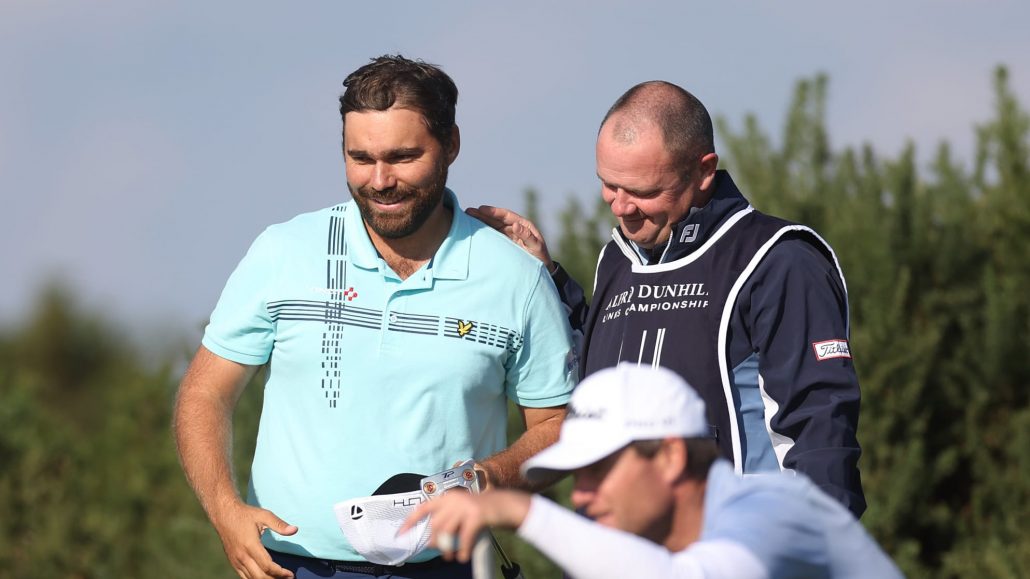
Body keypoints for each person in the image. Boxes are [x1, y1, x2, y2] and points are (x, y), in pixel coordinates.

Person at [173, 55, 577, 579]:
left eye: (404, 157)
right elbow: (205, 393)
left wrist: (490, 476)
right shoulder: (283, 251)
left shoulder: (516, 276)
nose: (380, 180)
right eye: (360, 158)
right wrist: (225, 512)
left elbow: (558, 425)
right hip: (292, 567)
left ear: (451, 144)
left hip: (447, 567)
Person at [469, 80, 866, 517]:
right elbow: (597, 379)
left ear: (703, 171)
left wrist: (819, 547)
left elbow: (820, 423)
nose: (621, 208)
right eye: (608, 185)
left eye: (642, 191)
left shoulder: (778, 259)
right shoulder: (618, 258)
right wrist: (548, 277)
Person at [403, 364, 903, 579]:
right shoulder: (662, 545)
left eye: (599, 469)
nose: (582, 495)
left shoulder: (771, 509)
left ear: (670, 456)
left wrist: (523, 511)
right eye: (578, 476)